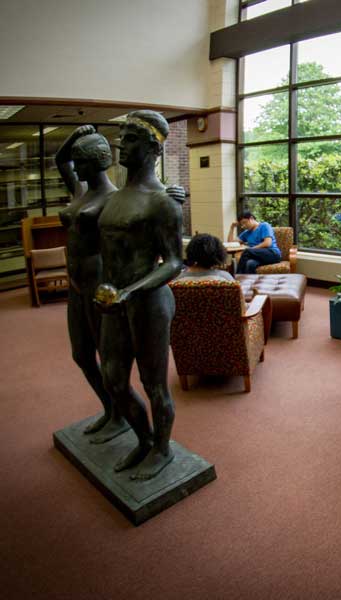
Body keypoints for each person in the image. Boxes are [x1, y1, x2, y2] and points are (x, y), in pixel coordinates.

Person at [94, 110, 183, 481]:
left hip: (147, 303)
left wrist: (130, 292)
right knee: (113, 379)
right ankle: (145, 439)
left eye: (130, 138)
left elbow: (175, 262)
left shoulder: (161, 201)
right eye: (121, 136)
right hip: (114, 302)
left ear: (151, 147)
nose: (121, 144)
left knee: (154, 384)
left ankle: (162, 449)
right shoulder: (115, 196)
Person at [56, 125, 130, 443]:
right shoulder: (79, 191)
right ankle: (109, 407)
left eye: (81, 161)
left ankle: (120, 415)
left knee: (109, 357)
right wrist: (74, 135)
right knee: (82, 355)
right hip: (76, 285)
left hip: (100, 284)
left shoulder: (115, 198)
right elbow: (60, 161)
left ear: (99, 162)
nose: (76, 168)